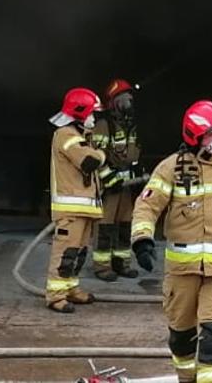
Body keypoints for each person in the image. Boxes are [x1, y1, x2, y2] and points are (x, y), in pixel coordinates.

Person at [130, 101, 212, 383]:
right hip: (182, 274)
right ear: (195, 135)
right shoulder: (171, 168)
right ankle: (186, 378)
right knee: (182, 337)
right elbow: (146, 206)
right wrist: (142, 239)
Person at [46, 87, 107, 313]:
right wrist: (102, 154)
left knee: (79, 253)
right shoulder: (65, 135)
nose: (94, 118)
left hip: (84, 209)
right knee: (65, 253)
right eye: (92, 113)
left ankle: (71, 288)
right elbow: (89, 161)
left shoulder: (80, 136)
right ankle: (55, 296)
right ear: (80, 112)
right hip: (70, 209)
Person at [89, 78, 144, 281]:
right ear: (114, 101)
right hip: (110, 187)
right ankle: (102, 267)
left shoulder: (131, 126)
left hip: (126, 187)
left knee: (125, 226)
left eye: (130, 95)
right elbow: (96, 157)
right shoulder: (104, 126)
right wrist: (108, 178)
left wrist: (139, 172)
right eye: (125, 96)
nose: (129, 99)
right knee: (106, 226)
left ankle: (122, 263)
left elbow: (134, 153)